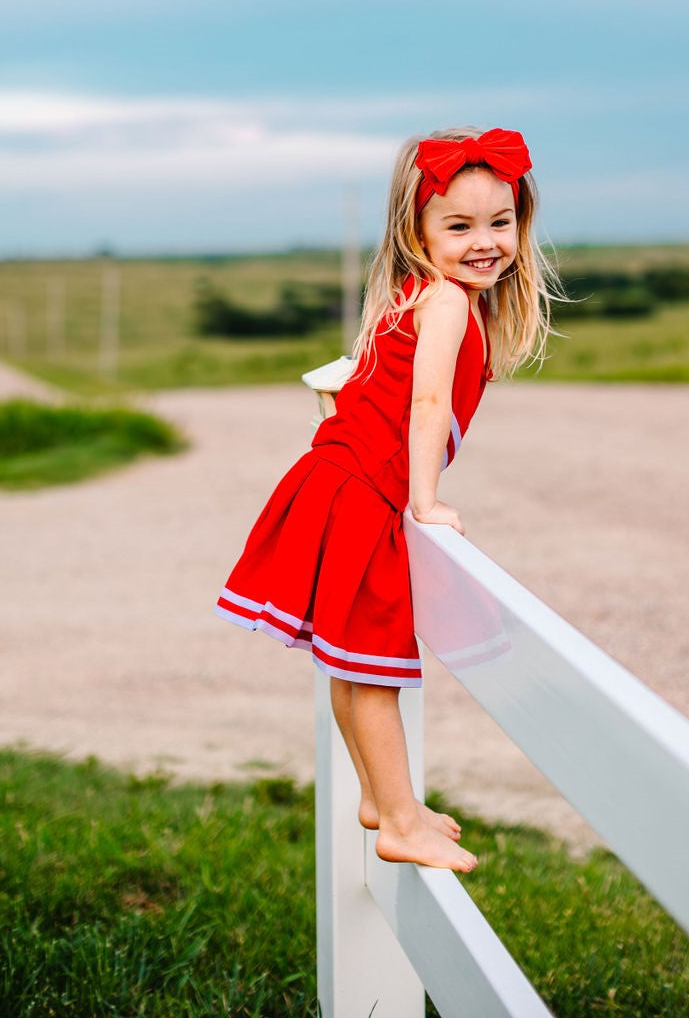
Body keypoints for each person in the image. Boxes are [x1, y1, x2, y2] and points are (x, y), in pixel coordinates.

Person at [215, 126, 558, 872]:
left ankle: (381, 797)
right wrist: (423, 502)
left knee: (349, 661)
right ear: (417, 232)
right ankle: (400, 820)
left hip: (337, 482)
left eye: (499, 222)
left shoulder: (422, 295)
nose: (484, 242)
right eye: (459, 226)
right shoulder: (446, 302)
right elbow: (426, 402)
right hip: (362, 493)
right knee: (373, 664)